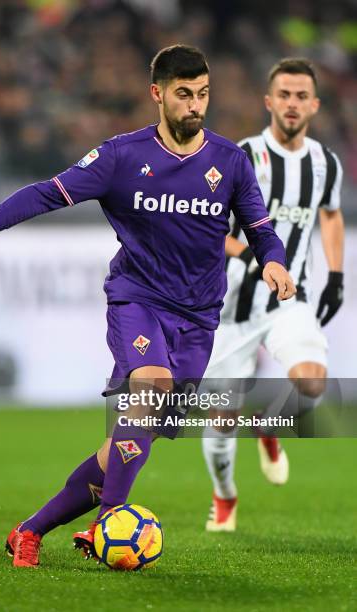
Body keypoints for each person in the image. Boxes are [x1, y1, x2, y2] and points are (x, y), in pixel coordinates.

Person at [0, 45, 295, 568]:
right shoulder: (122, 156)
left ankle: (29, 530)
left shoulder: (230, 162)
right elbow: (47, 192)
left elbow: (259, 228)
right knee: (151, 388)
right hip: (138, 299)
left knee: (131, 441)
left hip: (198, 317)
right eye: (185, 94)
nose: (196, 105)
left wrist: (274, 263)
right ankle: (112, 520)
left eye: (204, 94)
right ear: (158, 94)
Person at [201, 58, 344, 533]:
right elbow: (211, 228)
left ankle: (269, 424)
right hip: (232, 308)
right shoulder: (240, 157)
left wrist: (337, 276)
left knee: (311, 383)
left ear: (314, 105)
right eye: (284, 94)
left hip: (289, 300)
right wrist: (253, 260)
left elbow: (330, 215)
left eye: (302, 96)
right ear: (269, 101)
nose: (292, 103)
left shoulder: (326, 163)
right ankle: (225, 497)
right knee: (220, 418)